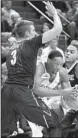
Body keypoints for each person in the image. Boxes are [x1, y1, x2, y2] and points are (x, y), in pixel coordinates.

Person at [1, 2, 64, 137]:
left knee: (6, 133)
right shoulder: (30, 43)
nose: (36, 32)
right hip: (22, 91)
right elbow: (58, 29)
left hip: (6, 92)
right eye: (34, 30)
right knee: (54, 123)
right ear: (28, 33)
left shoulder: (11, 50)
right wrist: (54, 13)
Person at [33, 50, 76, 137]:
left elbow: (69, 93)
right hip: (30, 98)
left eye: (61, 64)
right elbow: (36, 91)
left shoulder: (62, 72)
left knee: (57, 120)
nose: (58, 67)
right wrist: (61, 92)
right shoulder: (40, 68)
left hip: (46, 101)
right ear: (48, 61)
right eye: (56, 64)